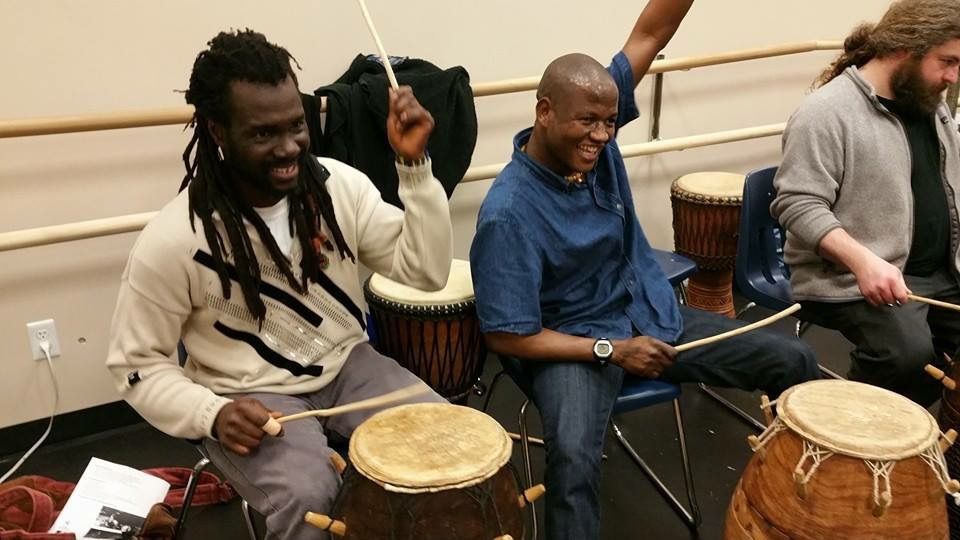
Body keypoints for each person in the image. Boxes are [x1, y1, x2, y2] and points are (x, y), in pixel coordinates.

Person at [469, 1, 819, 538]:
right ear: (544, 112)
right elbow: (506, 337)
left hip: (648, 312)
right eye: (587, 122)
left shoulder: (595, 125)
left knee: (794, 359)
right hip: (575, 343)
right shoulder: (508, 214)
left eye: (609, 122)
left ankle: (805, 505)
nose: (601, 135)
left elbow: (652, 32)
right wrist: (611, 350)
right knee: (573, 463)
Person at [105, 29, 452, 539]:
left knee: (446, 448)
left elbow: (426, 272)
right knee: (310, 499)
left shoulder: (339, 188)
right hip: (248, 395)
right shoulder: (174, 238)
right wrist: (213, 412)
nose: (289, 147)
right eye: (263, 134)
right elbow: (134, 365)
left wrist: (415, 168)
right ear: (218, 131)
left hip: (349, 365)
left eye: (296, 125)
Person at [771, 0, 960, 407]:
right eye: (947, 61)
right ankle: (843, 431)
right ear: (904, 49)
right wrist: (863, 262)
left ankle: (921, 426)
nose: (953, 76)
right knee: (906, 357)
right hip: (852, 276)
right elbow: (798, 203)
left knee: (927, 368)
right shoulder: (825, 112)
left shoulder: (931, 103)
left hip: (941, 271)